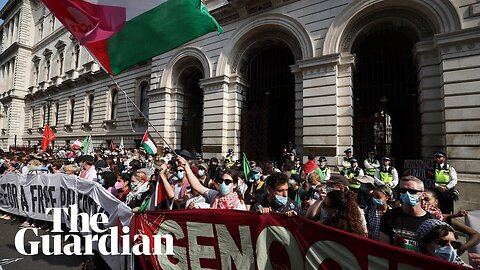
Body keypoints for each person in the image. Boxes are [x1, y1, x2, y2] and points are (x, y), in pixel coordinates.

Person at [379, 176, 434, 251]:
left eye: (412, 191)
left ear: (423, 195)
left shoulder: (431, 221)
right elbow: (384, 249)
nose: (407, 194)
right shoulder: (390, 216)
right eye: (403, 191)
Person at [178, 156, 246, 210]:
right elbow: (197, 186)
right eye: (221, 181)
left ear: (234, 185)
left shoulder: (239, 205)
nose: (223, 183)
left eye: (227, 182)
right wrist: (186, 166)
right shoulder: (214, 196)